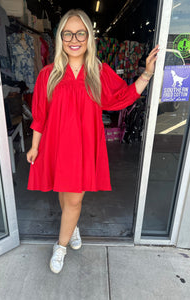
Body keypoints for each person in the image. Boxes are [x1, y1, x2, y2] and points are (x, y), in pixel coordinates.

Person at [26, 9, 159, 274]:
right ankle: (72, 228)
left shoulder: (99, 71)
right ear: (60, 38)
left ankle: (61, 246)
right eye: (67, 33)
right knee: (64, 194)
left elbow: (122, 97)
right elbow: (40, 115)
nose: (74, 39)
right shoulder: (48, 74)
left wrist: (146, 74)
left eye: (80, 33)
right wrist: (35, 145)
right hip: (57, 145)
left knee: (74, 200)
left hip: (85, 146)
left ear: (89, 37)